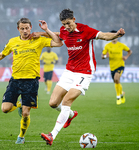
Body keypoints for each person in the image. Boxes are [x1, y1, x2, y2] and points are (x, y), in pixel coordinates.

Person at [29, 9, 126, 146]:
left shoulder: (85, 30)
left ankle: (52, 135)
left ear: (74, 19)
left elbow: (104, 35)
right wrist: (43, 31)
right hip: (69, 71)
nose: (66, 27)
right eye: (64, 24)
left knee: (67, 100)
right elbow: (58, 34)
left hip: (84, 72)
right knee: (53, 103)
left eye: (68, 23)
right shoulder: (64, 30)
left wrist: (117, 34)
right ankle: (70, 115)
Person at [0, 18, 63, 144]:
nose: (25, 31)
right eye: (22, 28)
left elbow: (59, 42)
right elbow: (1, 55)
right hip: (15, 80)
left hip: (31, 82)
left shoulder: (38, 40)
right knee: (5, 109)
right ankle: (19, 104)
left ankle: (21, 136)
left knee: (26, 113)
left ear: (31, 27)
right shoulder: (12, 41)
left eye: (27, 28)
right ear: (18, 29)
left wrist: (45, 31)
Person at [101, 30, 132, 105]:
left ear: (117, 36)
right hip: (112, 67)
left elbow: (129, 51)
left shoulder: (121, 45)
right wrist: (105, 56)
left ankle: (118, 97)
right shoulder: (108, 46)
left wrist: (126, 57)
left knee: (116, 78)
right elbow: (102, 56)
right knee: (116, 81)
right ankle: (121, 93)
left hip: (120, 65)